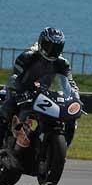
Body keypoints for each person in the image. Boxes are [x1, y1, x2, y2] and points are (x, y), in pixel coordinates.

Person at [0, 27, 79, 172]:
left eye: (57, 47)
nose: (52, 50)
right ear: (42, 43)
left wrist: (76, 98)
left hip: (43, 94)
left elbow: (70, 84)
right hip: (22, 90)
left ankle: (58, 152)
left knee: (71, 119)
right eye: (49, 46)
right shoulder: (28, 56)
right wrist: (20, 92)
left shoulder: (62, 63)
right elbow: (15, 77)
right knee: (7, 109)